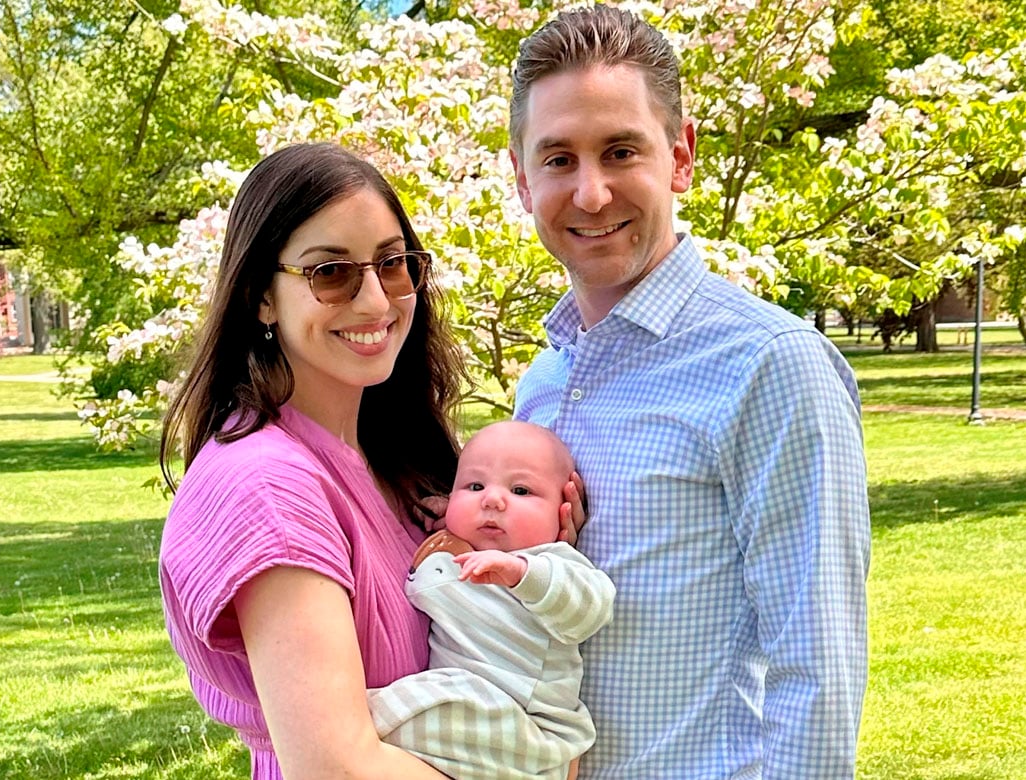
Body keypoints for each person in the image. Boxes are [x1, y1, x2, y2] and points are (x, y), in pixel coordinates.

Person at [507, 6, 871, 778]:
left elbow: (819, 665)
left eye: (620, 151)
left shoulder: (771, 364)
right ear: (521, 178)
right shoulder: (542, 383)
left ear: (681, 157)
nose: (592, 193)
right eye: (559, 159)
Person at [156, 142, 466, 779]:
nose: (377, 302)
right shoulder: (267, 485)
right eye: (331, 273)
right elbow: (335, 769)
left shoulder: (394, 457)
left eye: (394, 263)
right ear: (260, 297)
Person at [368, 420, 616, 780]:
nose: (493, 499)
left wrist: (522, 573)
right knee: (438, 704)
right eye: (474, 485)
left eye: (520, 490)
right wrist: (451, 522)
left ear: (564, 511)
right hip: (475, 720)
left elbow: (591, 609)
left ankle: (351, 721)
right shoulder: (453, 551)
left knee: (422, 707)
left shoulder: (554, 563)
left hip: (526, 724)